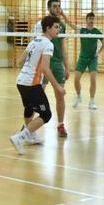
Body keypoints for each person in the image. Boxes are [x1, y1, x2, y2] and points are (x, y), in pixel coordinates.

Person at [9, 16, 66, 154]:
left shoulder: (34, 40)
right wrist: (57, 86)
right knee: (46, 114)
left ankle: (31, 135)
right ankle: (20, 137)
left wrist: (31, 66)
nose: (58, 30)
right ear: (47, 28)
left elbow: (20, 61)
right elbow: (45, 69)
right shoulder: (48, 44)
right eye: (56, 27)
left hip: (21, 81)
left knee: (29, 108)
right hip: (31, 83)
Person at [33, 0, 72, 137]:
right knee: (38, 96)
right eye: (55, 6)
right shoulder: (41, 25)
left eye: (59, 6)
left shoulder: (61, 26)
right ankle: (28, 126)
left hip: (57, 64)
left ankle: (61, 125)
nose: (57, 9)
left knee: (60, 95)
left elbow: (62, 47)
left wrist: (67, 67)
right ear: (49, 8)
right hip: (44, 63)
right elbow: (35, 45)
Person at [72, 12, 104, 111]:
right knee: (76, 79)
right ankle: (79, 96)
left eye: (93, 19)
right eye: (90, 18)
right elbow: (71, 25)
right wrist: (63, 15)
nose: (91, 20)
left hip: (92, 59)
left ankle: (92, 101)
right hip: (82, 58)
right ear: (86, 20)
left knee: (93, 79)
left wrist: (99, 53)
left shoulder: (97, 31)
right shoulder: (82, 30)